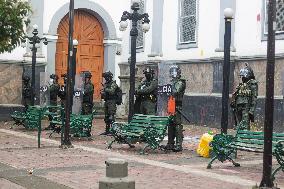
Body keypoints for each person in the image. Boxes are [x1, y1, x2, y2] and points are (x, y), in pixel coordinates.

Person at [164, 65, 186, 152]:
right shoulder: (172, 82)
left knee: (177, 125)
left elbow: (175, 92)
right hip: (170, 105)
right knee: (170, 125)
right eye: (172, 71)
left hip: (177, 106)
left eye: (175, 71)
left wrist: (168, 90)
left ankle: (178, 144)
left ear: (178, 72)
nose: (173, 73)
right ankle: (170, 143)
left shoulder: (180, 82)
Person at [231, 63, 258, 130]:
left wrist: (251, 110)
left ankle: (245, 139)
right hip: (238, 107)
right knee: (239, 126)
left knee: (245, 126)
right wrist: (233, 103)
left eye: (244, 76)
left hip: (246, 108)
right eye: (242, 76)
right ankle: (239, 139)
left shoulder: (252, 84)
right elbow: (237, 96)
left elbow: (254, 98)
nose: (242, 78)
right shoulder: (241, 85)